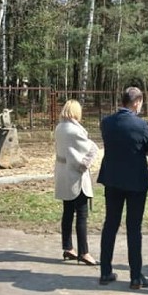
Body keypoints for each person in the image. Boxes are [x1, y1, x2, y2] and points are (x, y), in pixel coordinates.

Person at [97, 87, 148, 289]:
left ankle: (105, 271)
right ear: (137, 102)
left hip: (112, 180)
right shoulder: (141, 125)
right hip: (136, 183)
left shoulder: (106, 122)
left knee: (110, 225)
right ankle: (135, 276)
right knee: (134, 228)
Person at [54, 99, 99, 266]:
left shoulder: (59, 128)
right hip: (75, 176)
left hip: (63, 173)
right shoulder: (75, 131)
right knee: (81, 215)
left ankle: (68, 247)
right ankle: (84, 252)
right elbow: (90, 149)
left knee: (67, 212)